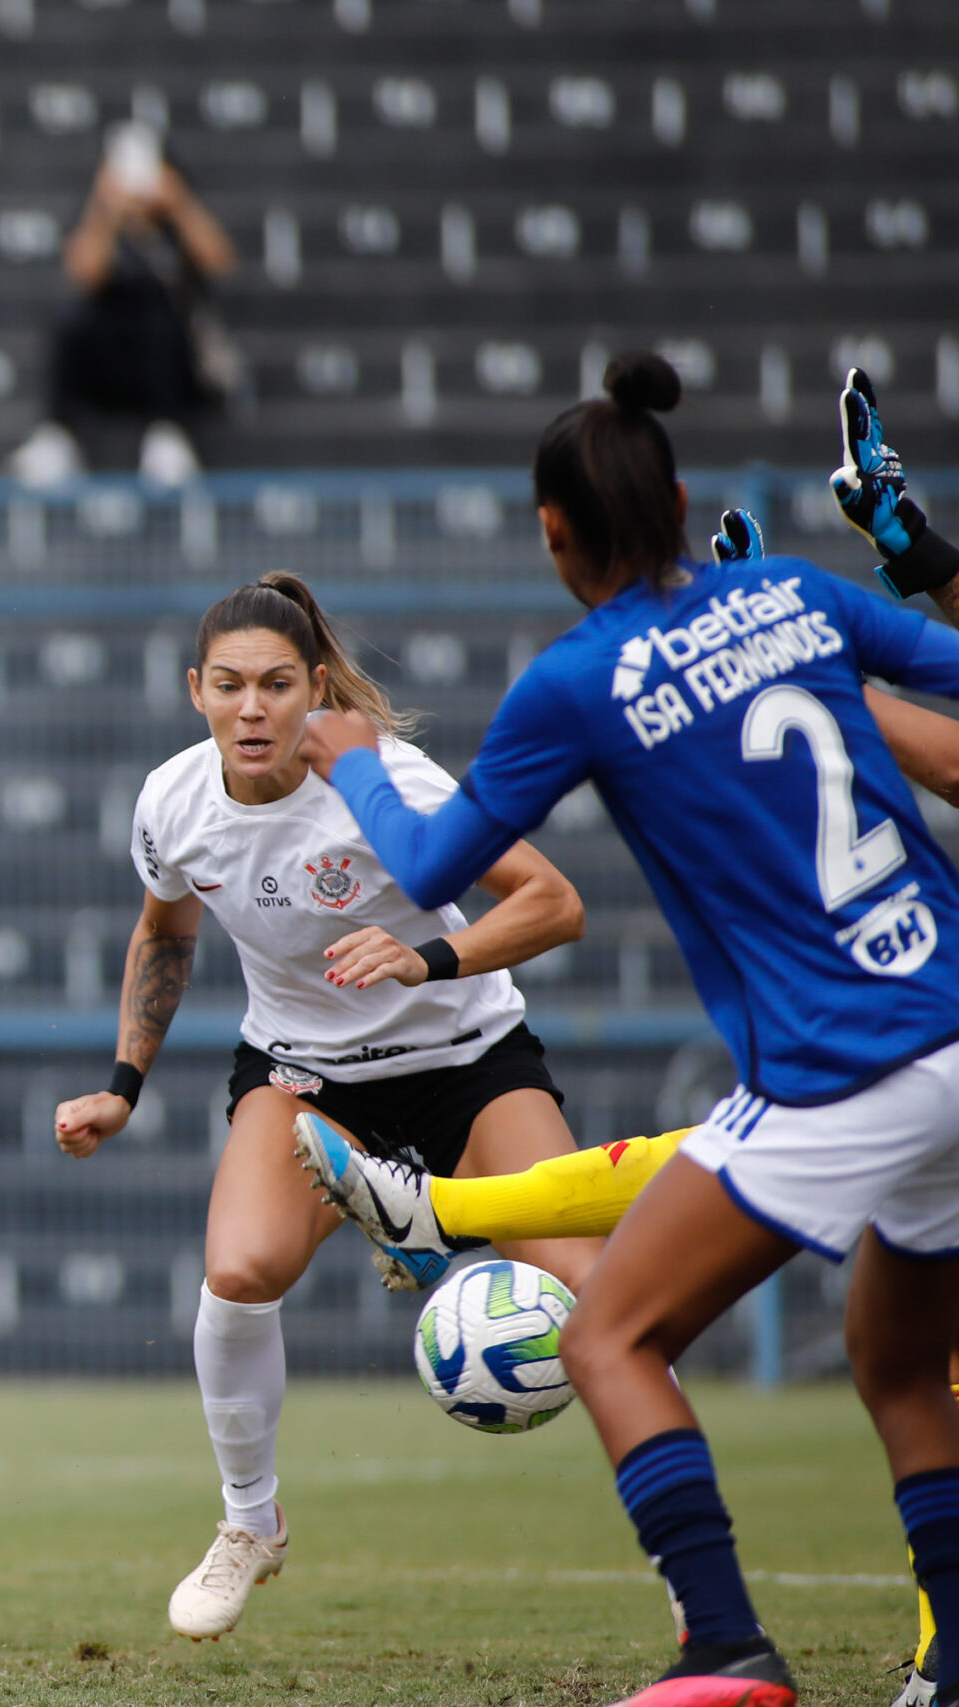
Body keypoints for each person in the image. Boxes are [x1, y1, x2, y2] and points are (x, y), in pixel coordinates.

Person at [296, 353, 959, 1707]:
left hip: (847, 1064)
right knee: (897, 1356)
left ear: (554, 534)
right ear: (677, 496)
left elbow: (431, 860)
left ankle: (722, 1638)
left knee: (609, 1335)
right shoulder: (792, 591)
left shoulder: (576, 681)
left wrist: (352, 755)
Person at [51, 570, 594, 1641]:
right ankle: (249, 1524)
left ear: (314, 691)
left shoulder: (385, 781)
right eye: (228, 686)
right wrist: (122, 1087)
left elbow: (553, 903)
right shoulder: (171, 802)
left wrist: (425, 956)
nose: (251, 707)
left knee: (599, 1299)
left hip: (464, 1060)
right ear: (193, 690)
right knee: (239, 1271)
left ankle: (691, 1582)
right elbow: (165, 933)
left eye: (275, 684)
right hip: (305, 1075)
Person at [8, 121, 237, 490]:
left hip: (171, 357)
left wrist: (177, 201)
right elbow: (84, 273)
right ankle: (59, 437)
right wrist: (107, 209)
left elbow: (220, 262)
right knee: (69, 323)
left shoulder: (178, 215)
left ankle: (169, 436)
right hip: (110, 357)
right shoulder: (99, 214)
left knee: (162, 323)